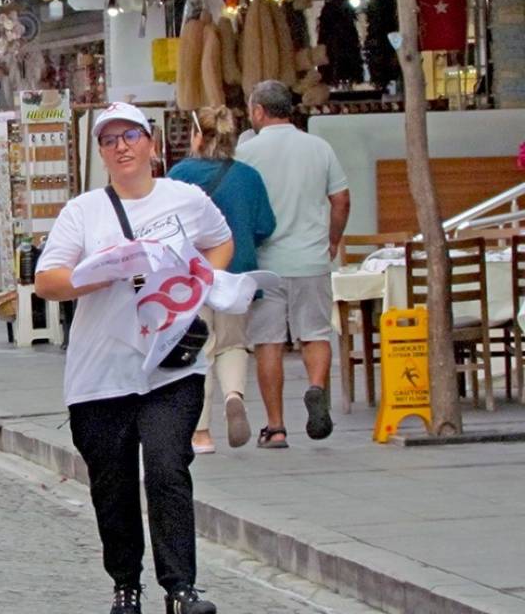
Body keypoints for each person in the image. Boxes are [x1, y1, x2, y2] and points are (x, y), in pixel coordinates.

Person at [36, 102, 232, 614]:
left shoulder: (185, 199)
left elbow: (221, 242)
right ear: (101, 153)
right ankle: (126, 582)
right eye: (108, 140)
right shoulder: (83, 212)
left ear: (150, 143)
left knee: (168, 468)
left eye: (129, 137)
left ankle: (181, 587)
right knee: (114, 484)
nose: (120, 147)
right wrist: (104, 272)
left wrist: (197, 285)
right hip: (100, 376)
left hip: (171, 366)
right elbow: (47, 280)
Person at [236, 80, 351, 448]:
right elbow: (342, 198)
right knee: (316, 332)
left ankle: (276, 427)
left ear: (258, 111)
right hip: (311, 258)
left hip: (266, 262)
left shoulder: (247, 153)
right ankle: (316, 387)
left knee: (268, 341)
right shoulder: (319, 146)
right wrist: (333, 238)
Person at [168, 106, 276, 453]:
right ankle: (234, 395)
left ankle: (201, 433)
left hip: (192, 277)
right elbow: (265, 226)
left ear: (198, 136)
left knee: (200, 350)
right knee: (233, 343)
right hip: (237, 273)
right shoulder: (249, 176)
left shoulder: (179, 175)